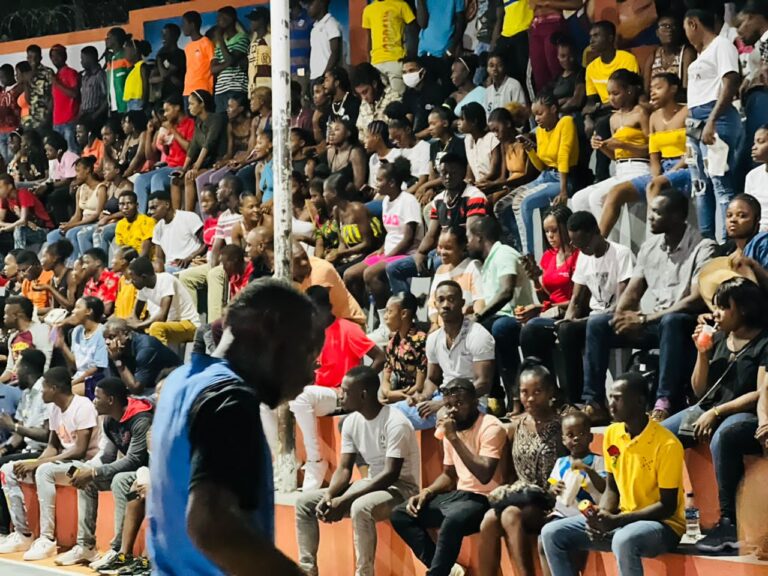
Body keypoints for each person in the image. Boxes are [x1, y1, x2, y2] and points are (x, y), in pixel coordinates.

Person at [147, 279, 322, 574]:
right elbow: (212, 524)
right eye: (307, 352)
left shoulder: (180, 382)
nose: (310, 376)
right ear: (269, 327)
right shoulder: (230, 399)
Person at [582, 189, 717, 424]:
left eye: (656, 212)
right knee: (597, 323)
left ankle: (664, 401)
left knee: (672, 321)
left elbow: (694, 299)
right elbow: (633, 291)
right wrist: (621, 316)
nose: (650, 217)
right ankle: (593, 403)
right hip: (655, 321)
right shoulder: (650, 247)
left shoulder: (703, 246)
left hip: (684, 323)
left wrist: (645, 319)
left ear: (677, 216)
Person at [541, 373, 685, 576]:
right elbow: (612, 488)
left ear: (639, 401)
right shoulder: (612, 433)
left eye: (617, 398)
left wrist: (618, 520)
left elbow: (667, 506)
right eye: (610, 397)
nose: (610, 404)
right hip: (623, 518)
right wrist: (600, 516)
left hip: (662, 526)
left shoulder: (667, 444)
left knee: (623, 540)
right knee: (551, 533)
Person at [662, 277, 768, 552]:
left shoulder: (763, 342)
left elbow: (761, 392)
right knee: (661, 436)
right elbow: (699, 391)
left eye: (724, 307)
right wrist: (702, 354)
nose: (716, 313)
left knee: (725, 436)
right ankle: (663, 510)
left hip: (745, 413)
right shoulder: (720, 337)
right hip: (710, 408)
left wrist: (718, 412)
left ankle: (729, 524)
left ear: (743, 309)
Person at [296, 365, 419, 576]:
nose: (340, 395)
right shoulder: (351, 422)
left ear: (363, 395)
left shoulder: (395, 422)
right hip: (371, 484)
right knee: (304, 503)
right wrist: (329, 495)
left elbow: (390, 474)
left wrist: (344, 500)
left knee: (360, 507)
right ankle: (307, 571)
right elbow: (344, 469)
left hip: (401, 489)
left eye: (345, 391)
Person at [391, 378, 507, 576]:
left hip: (488, 498)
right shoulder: (452, 428)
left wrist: (453, 437)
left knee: (453, 519)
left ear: (475, 402)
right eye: (449, 405)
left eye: (460, 404)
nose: (453, 410)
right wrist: (427, 492)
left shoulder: (491, 426)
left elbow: (484, 475)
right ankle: (447, 570)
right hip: (462, 496)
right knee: (401, 514)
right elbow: (449, 475)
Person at [286, 286, 384, 490]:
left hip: (341, 394)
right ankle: (286, 460)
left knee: (301, 397)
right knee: (265, 401)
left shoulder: (347, 329)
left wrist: (360, 385)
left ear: (327, 308)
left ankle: (315, 461)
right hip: (318, 394)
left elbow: (380, 357)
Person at [0, 366, 100, 561]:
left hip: (83, 464)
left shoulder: (83, 406)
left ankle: (47, 538)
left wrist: (39, 464)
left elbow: (79, 450)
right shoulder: (54, 408)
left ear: (54, 388)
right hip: (62, 461)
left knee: (44, 471)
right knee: (8, 469)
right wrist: (33, 462)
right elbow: (53, 446)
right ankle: (23, 533)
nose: (41, 391)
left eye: (44, 387)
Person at [477, 360, 566, 576]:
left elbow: (571, 466)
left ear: (550, 392)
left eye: (537, 392)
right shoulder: (515, 427)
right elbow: (508, 474)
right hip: (521, 497)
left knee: (510, 515)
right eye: (525, 392)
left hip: (550, 502)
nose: (530, 398)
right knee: (489, 519)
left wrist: (556, 489)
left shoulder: (562, 427)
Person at [54, 377, 152, 567]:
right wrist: (86, 471)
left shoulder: (141, 419)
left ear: (111, 400)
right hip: (133, 471)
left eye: (97, 397)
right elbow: (108, 456)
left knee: (119, 480)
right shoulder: (109, 420)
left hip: (148, 472)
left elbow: (134, 460)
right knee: (87, 481)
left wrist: (94, 472)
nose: (93, 401)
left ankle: (118, 550)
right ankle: (85, 546)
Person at [551, 211, 635, 404]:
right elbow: (576, 300)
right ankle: (574, 401)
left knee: (596, 323)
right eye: (576, 245)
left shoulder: (620, 253)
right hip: (594, 319)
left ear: (596, 232)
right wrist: (567, 321)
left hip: (615, 318)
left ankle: (593, 400)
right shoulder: (583, 256)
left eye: (584, 244)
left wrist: (585, 320)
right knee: (559, 330)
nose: (581, 249)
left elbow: (622, 303)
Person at [394, 280, 495, 430]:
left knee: (443, 415)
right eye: (441, 300)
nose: (445, 305)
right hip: (442, 397)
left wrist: (445, 403)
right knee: (391, 414)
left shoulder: (478, 335)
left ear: (462, 303)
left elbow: (483, 384)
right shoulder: (434, 338)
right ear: (435, 304)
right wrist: (422, 396)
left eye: (451, 299)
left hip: (473, 404)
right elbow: (432, 379)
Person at [598, 73, 689, 237]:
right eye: (651, 88)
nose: (652, 92)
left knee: (654, 186)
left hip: (685, 166)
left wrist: (667, 174)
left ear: (673, 89)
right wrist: (657, 174)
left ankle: (654, 240)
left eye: (659, 88)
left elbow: (691, 151)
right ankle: (598, 245)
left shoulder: (687, 111)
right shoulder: (654, 117)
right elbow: (654, 157)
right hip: (663, 168)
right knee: (615, 192)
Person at [387, 153, 487, 296]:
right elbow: (431, 234)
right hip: (442, 250)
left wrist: (444, 251)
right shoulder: (439, 199)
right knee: (395, 268)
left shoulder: (474, 196)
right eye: (444, 173)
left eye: (453, 173)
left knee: (434, 264)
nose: (448, 177)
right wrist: (421, 253)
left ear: (463, 173)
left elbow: (471, 235)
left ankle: (430, 304)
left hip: (463, 251)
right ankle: (409, 305)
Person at [684, 8, 745, 241]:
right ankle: (707, 240)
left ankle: (727, 241)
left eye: (685, 28)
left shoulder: (722, 45)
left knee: (720, 182)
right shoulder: (701, 54)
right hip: (694, 121)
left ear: (693, 24)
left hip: (715, 117)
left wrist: (712, 120)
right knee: (700, 185)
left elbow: (731, 82)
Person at [494, 94, 579, 254]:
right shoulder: (540, 131)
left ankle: (530, 255)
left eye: (540, 113)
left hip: (563, 178)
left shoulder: (566, 122)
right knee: (501, 207)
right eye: (534, 115)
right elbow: (541, 166)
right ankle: (519, 248)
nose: (537, 118)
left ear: (553, 109)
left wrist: (563, 190)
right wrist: (530, 150)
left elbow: (563, 156)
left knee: (521, 202)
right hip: (545, 176)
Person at [468, 216, 535, 415]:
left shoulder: (504, 253)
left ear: (480, 238)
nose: (467, 243)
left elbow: (506, 292)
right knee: (475, 333)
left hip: (519, 316)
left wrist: (477, 317)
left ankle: (516, 398)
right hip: (499, 318)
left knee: (498, 328)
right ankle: (493, 397)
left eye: (469, 238)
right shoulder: (487, 262)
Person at [344, 157, 423, 316]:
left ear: (392, 182)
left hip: (406, 253)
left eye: (380, 180)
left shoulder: (408, 201)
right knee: (350, 275)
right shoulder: (386, 201)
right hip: (388, 252)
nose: (376, 183)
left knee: (370, 273)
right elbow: (391, 232)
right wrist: (380, 250)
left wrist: (387, 256)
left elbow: (408, 239)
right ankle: (365, 315)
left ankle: (384, 320)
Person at [572, 69, 650, 222]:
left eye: (616, 93)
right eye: (609, 94)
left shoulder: (640, 113)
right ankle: (589, 235)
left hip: (641, 168)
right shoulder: (613, 119)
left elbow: (652, 149)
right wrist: (602, 146)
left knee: (597, 197)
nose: (611, 98)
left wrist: (623, 144)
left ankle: (604, 237)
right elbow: (616, 157)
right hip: (620, 169)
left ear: (629, 91)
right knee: (578, 199)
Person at [518, 206, 579, 374]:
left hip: (570, 313)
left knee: (531, 329)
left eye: (554, 230)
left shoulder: (578, 255)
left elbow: (579, 299)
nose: (550, 236)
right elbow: (546, 298)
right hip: (552, 312)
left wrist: (544, 308)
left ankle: (543, 380)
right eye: (546, 231)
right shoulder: (548, 256)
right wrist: (535, 280)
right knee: (510, 327)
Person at [0, 349, 50, 538]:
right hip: (27, 448)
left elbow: (46, 434)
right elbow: (18, 434)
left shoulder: (46, 391)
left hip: (45, 452)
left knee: (3, 467)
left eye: (17, 366)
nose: (14, 371)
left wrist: (14, 426)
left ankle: (8, 531)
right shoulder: (26, 394)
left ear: (27, 369)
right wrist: (4, 448)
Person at [582, 21, 640, 182]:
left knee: (601, 124)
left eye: (596, 36)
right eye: (590, 36)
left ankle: (600, 176)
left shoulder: (627, 59)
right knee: (578, 124)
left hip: (625, 106)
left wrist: (597, 107)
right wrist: (587, 118)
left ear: (610, 38)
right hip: (602, 110)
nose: (591, 40)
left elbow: (632, 92)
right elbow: (590, 102)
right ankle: (581, 176)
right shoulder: (591, 67)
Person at [179, 176, 241, 323]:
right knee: (186, 276)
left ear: (229, 190)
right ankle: (192, 323)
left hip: (236, 260)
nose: (217, 191)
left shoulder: (242, 212)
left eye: (220, 188)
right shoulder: (224, 217)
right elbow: (216, 247)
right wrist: (211, 265)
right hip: (222, 262)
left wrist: (215, 268)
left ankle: (214, 325)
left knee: (214, 274)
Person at [133, 94, 195, 208]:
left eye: (167, 110)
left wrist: (172, 130)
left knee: (157, 179)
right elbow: (166, 153)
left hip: (181, 167)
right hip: (168, 167)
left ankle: (160, 213)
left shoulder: (190, 123)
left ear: (177, 108)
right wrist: (165, 144)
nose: (165, 114)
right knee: (140, 180)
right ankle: (141, 216)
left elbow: (190, 149)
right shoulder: (171, 126)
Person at [46, 156, 107, 263]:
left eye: (78, 171)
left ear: (87, 170)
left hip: (94, 223)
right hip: (81, 223)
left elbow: (97, 214)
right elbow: (77, 215)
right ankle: (56, 264)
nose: (76, 174)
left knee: (71, 232)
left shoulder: (101, 188)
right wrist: (67, 225)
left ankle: (75, 264)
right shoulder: (80, 189)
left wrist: (72, 226)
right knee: (53, 235)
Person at [128, 256, 200, 346]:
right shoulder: (143, 287)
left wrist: (139, 325)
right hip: (169, 325)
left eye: (134, 279)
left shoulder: (166, 280)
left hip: (188, 325)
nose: (131, 282)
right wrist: (132, 324)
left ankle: (162, 355)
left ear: (143, 277)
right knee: (126, 330)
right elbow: (135, 314)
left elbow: (162, 317)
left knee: (156, 327)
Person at [427, 226, 484, 329]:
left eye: (448, 248)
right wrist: (434, 323)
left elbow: (479, 301)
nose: (442, 252)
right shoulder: (440, 270)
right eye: (440, 247)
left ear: (462, 247)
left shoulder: (473, 267)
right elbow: (432, 304)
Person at [181, 90, 228, 210]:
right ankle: (185, 215)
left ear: (202, 104)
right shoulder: (198, 122)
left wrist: (196, 166)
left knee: (191, 177)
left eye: (192, 104)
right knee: (178, 179)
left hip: (220, 161)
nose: (189, 107)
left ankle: (195, 215)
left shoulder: (216, 119)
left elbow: (209, 143)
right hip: (208, 163)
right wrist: (183, 168)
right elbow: (193, 146)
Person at [55, 296, 108, 398]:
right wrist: (62, 345)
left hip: (96, 380)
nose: (73, 311)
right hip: (79, 378)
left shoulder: (102, 332)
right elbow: (75, 365)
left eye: (78, 307)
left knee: (62, 395)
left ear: (89, 311)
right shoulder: (77, 331)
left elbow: (96, 369)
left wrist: (72, 383)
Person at [380, 292, 428, 405]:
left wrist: (397, 397)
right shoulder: (392, 343)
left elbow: (419, 386)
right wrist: (387, 393)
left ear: (403, 314)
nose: (385, 316)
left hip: (416, 399)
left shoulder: (420, 342)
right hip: (396, 396)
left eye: (389, 312)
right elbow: (386, 377)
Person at [361, 0, 416, 96]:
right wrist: (369, 62)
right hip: (376, 63)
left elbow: (413, 32)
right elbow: (369, 38)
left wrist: (410, 58)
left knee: (398, 98)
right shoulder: (368, 10)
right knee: (380, 100)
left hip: (396, 60)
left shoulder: (401, 5)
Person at [148, 190, 205, 273]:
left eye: (154, 207)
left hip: (191, 264)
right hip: (170, 268)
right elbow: (159, 258)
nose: (150, 212)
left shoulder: (188, 217)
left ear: (167, 205)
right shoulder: (157, 228)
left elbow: (206, 243)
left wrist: (190, 258)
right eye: (149, 209)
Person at [0, 295, 51, 383]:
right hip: (14, 384)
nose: (4, 317)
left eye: (6, 314)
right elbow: (10, 370)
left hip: (34, 384)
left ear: (17, 315)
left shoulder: (41, 331)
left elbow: (45, 367)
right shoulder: (13, 337)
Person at [643, 13, 696, 92]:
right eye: (664, 26)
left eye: (673, 26)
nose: (669, 30)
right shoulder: (653, 56)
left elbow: (687, 88)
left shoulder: (686, 53)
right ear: (657, 32)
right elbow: (646, 90)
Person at [211, 6, 250, 113]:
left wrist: (219, 38)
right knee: (221, 121)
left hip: (236, 88)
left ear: (231, 18)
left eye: (221, 17)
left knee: (234, 119)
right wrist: (228, 63)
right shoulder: (219, 44)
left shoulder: (242, 38)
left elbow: (231, 60)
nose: (218, 21)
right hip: (220, 91)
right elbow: (213, 69)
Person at [0, 173, 53, 250]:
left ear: (10, 186)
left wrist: (6, 228)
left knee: (19, 229)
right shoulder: (4, 199)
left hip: (42, 229)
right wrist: (9, 226)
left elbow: (23, 221)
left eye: (0, 187)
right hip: (28, 228)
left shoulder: (23, 193)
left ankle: (18, 256)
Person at [401, 57, 449, 139]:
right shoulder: (408, 94)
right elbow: (408, 117)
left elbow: (439, 122)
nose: (408, 75)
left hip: (434, 137)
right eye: (404, 72)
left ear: (422, 72)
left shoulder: (436, 91)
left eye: (411, 70)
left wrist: (417, 136)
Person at [459, 102, 502, 190]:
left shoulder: (492, 138)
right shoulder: (467, 139)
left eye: (462, 119)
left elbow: (494, 172)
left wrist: (476, 185)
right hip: (477, 186)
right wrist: (468, 181)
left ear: (474, 122)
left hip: (492, 185)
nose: (459, 123)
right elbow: (470, 165)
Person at [353, 63, 400, 141]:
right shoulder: (364, 104)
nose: (363, 98)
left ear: (374, 84)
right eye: (359, 94)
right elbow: (360, 134)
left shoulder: (394, 98)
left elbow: (397, 135)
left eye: (365, 92)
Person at [50, 44, 80, 154]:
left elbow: (74, 94)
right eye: (52, 56)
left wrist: (57, 84)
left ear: (65, 56)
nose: (55, 59)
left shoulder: (71, 73)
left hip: (69, 121)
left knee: (72, 152)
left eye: (58, 55)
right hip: (57, 122)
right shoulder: (55, 76)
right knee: (59, 154)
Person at [182, 11, 215, 98]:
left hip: (202, 89)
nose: (182, 27)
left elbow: (213, 64)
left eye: (184, 24)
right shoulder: (187, 47)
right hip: (187, 90)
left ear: (192, 25)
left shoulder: (206, 42)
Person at [308, 0, 343, 83]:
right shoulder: (314, 28)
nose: (308, 7)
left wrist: (324, 76)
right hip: (315, 76)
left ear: (321, 3)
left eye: (311, 3)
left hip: (326, 77)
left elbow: (335, 53)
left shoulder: (331, 23)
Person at [114, 190, 154, 256]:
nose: (125, 207)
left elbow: (146, 249)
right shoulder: (120, 225)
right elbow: (122, 248)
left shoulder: (147, 221)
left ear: (137, 205)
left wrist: (137, 261)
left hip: (145, 259)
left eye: (129, 203)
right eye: (122, 204)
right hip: (129, 258)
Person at [81, 248, 120, 317]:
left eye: (87, 263)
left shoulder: (112, 278)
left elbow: (106, 310)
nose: (83, 266)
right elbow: (82, 304)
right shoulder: (90, 282)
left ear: (98, 263)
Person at [152, 23, 186, 101]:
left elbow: (165, 74)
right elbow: (151, 79)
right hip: (163, 97)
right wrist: (168, 78)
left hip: (177, 96)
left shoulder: (180, 54)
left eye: (166, 35)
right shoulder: (162, 54)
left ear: (175, 36)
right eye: (162, 34)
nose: (163, 37)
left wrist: (160, 59)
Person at [25, 44, 54, 130]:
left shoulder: (48, 72)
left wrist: (48, 115)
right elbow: (28, 100)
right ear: (27, 58)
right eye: (30, 57)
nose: (33, 60)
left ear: (41, 58)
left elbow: (53, 95)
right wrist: (26, 82)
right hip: (33, 116)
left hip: (45, 115)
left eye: (36, 57)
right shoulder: (27, 74)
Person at [78, 46, 107, 130]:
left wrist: (95, 115)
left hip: (96, 115)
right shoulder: (85, 77)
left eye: (83, 58)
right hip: (85, 115)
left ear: (90, 58)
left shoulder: (100, 75)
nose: (81, 62)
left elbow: (107, 98)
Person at [745, 125, 768, 230]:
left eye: (761, 142)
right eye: (754, 142)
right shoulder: (752, 176)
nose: (754, 147)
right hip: (757, 233)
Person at [105, 28, 131, 116]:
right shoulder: (111, 59)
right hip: (113, 107)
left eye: (108, 37)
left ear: (115, 39)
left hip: (126, 106)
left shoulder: (126, 56)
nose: (106, 40)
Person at [0, 65, 21, 165]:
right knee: (4, 160)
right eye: (0, 77)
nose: (1, 80)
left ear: (11, 74)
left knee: (11, 158)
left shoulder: (18, 88)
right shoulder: (2, 91)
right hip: (1, 130)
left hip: (12, 129)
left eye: (3, 76)